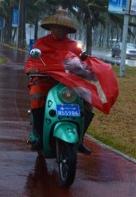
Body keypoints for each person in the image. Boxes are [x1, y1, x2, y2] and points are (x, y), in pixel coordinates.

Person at [25, 8, 94, 154]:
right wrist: (32, 69)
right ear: (51, 27)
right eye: (57, 27)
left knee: (88, 100)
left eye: (64, 28)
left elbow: (81, 63)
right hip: (46, 80)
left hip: (67, 82)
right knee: (37, 96)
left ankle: (80, 138)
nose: (61, 30)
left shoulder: (74, 45)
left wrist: (87, 70)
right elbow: (32, 61)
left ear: (68, 29)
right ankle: (38, 134)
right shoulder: (41, 43)